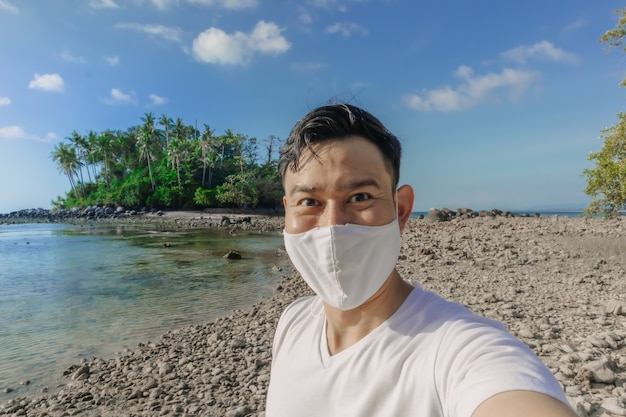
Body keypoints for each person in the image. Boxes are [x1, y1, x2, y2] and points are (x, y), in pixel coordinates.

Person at [265, 103, 578, 417]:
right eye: (308, 202)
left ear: (401, 210)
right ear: (287, 211)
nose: (333, 225)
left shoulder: (454, 350)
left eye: (360, 197)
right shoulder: (293, 323)